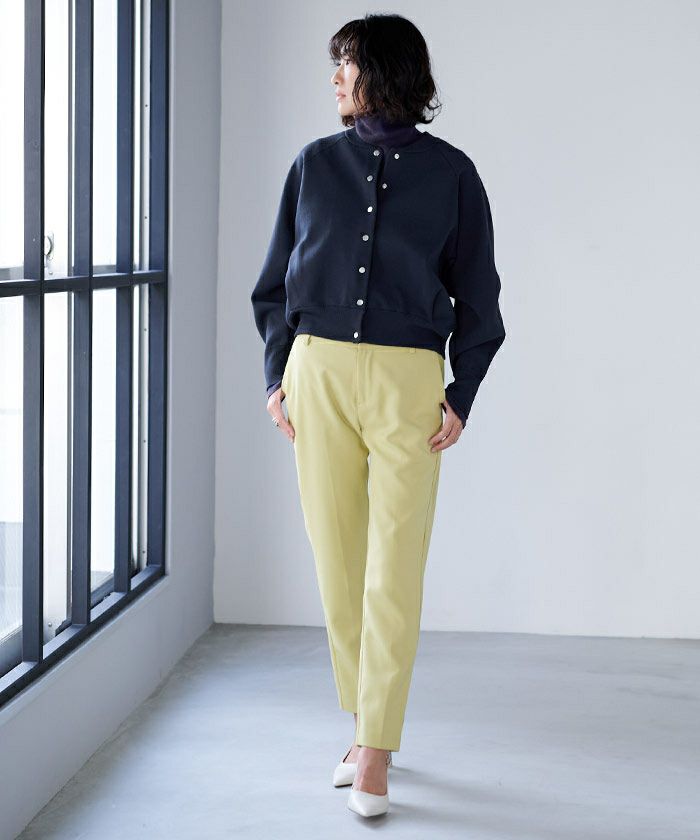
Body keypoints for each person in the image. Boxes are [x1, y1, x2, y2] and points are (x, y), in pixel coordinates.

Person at [250, 13, 506, 818]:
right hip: (317, 374)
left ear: (386, 73)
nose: (335, 78)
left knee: (394, 567)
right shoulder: (313, 165)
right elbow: (273, 286)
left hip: (407, 384)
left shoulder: (452, 175)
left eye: (347, 64)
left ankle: (376, 753)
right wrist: (277, 378)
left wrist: (461, 393)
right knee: (338, 563)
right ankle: (364, 726)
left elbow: (481, 297)